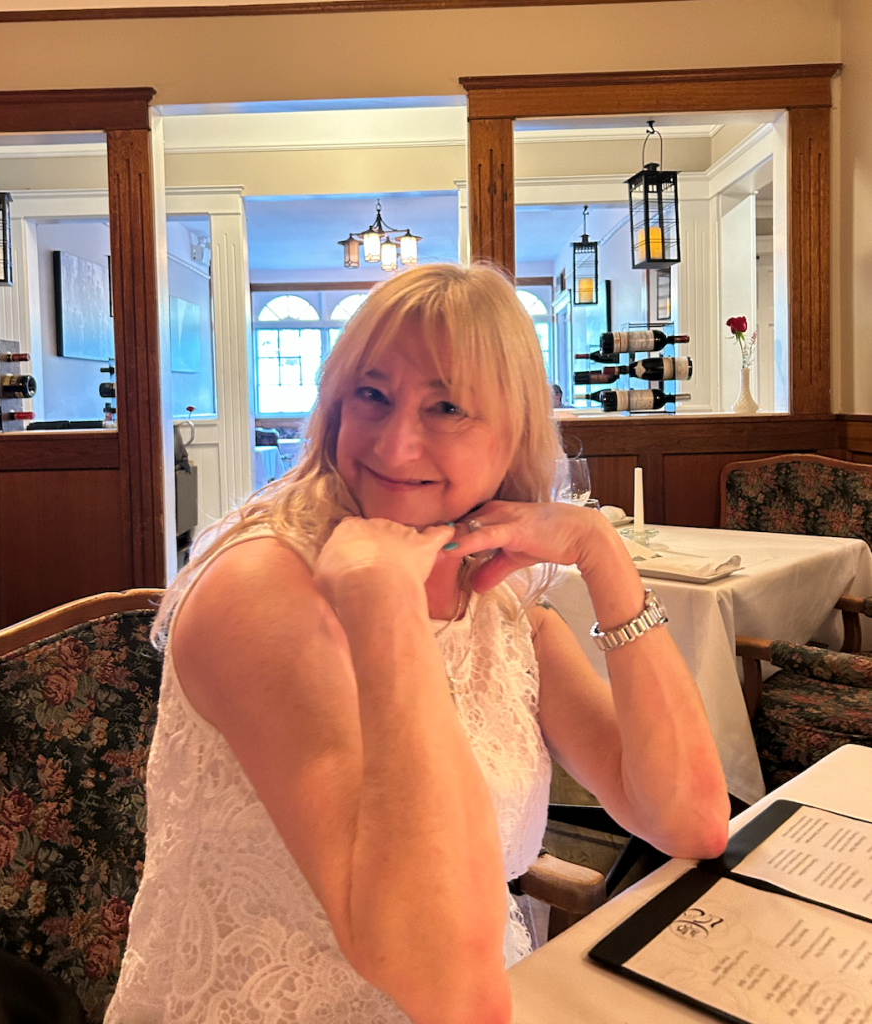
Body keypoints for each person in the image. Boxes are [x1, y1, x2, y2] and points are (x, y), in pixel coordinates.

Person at [106, 263, 729, 1024]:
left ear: (514, 438)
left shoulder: (498, 606)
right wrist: (384, 606)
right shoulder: (259, 590)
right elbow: (448, 986)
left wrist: (604, 558)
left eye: (447, 407)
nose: (396, 446)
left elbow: (689, 820)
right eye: (371, 395)